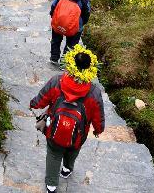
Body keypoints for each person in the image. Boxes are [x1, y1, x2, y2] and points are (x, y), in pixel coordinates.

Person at [30, 46, 105, 193]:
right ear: (90, 68)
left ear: (70, 62)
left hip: (54, 130)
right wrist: (98, 129)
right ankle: (66, 169)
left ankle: (51, 185)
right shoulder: (94, 92)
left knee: (53, 153)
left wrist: (33, 103)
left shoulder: (57, 81)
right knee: (73, 150)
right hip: (79, 133)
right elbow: (98, 115)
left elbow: (42, 99)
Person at [49, 0, 91, 65]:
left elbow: (53, 6)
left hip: (59, 22)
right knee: (71, 45)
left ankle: (54, 58)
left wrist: (54, 17)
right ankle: (64, 62)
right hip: (76, 26)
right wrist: (82, 23)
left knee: (56, 40)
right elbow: (87, 12)